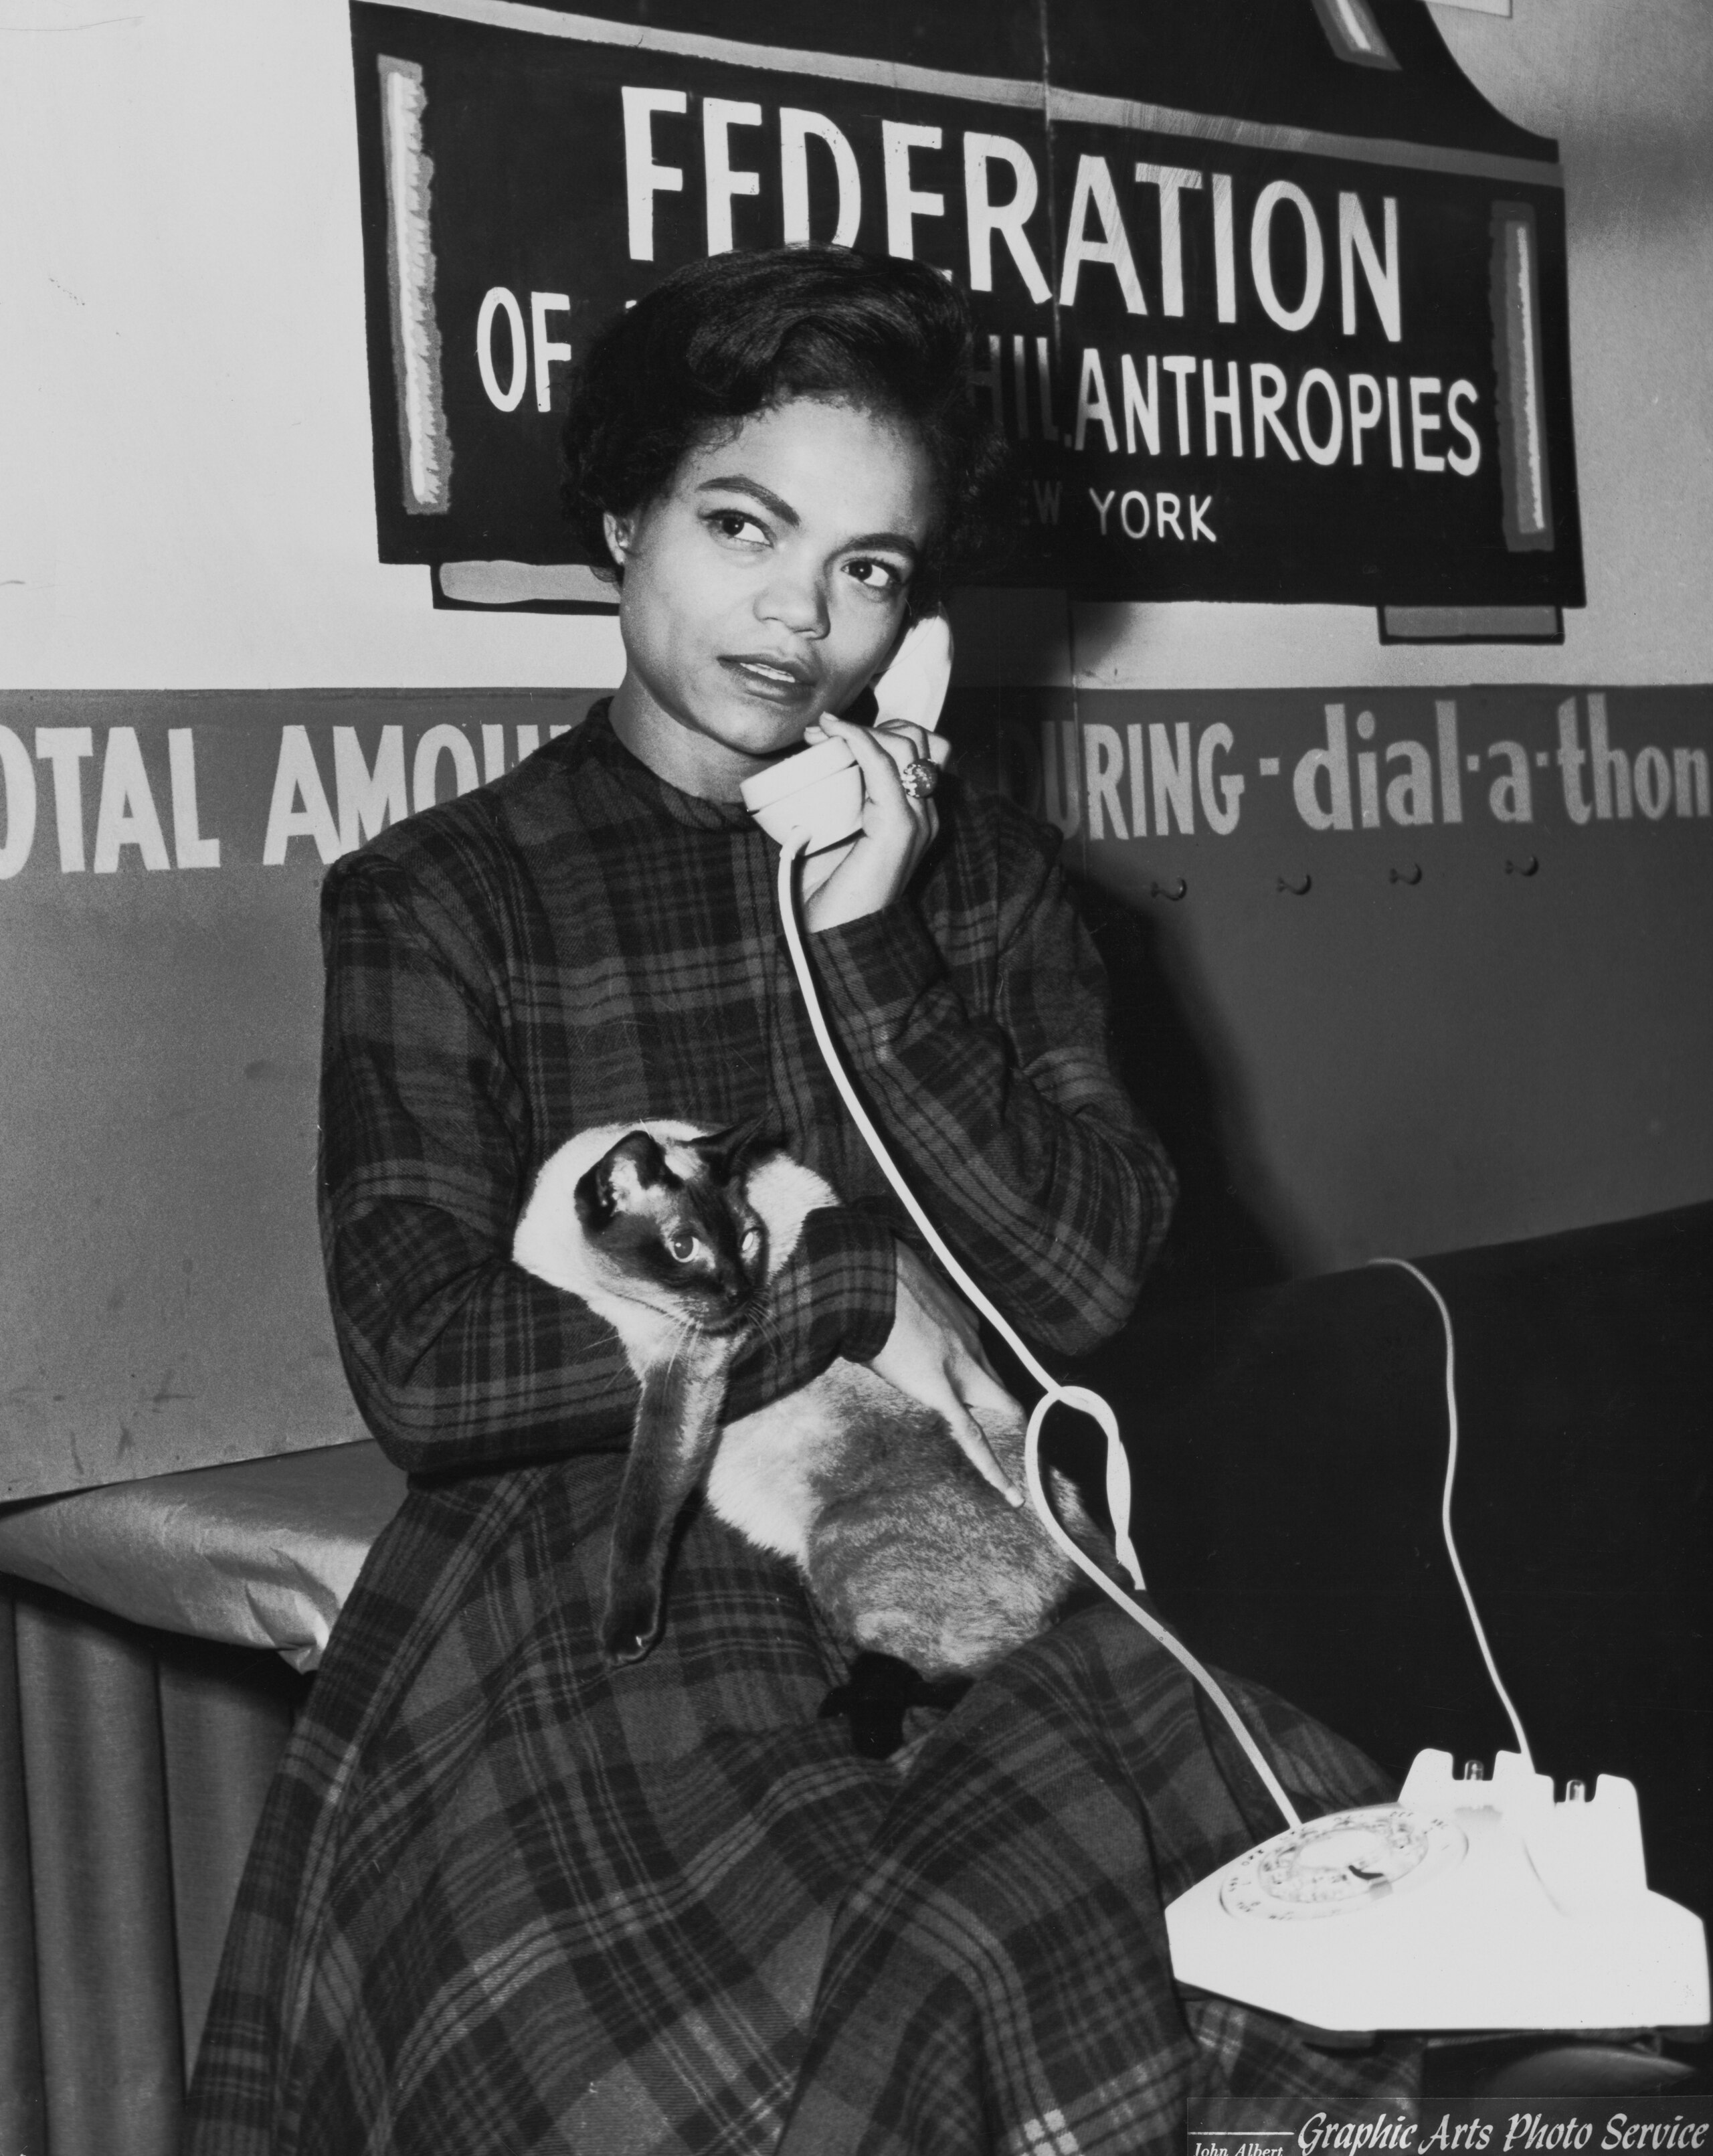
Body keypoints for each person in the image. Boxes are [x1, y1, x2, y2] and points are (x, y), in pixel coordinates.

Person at [187, 247, 1417, 2155]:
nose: (803, 613)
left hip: (949, 1548)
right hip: (610, 1585)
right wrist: (841, 1292)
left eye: (870, 568)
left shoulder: (975, 882)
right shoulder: (444, 895)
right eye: (744, 523)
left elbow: (1080, 1280)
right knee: (801, 2038)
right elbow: (428, 1369)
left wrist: (875, 953)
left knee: (1271, 1943)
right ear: (624, 517)